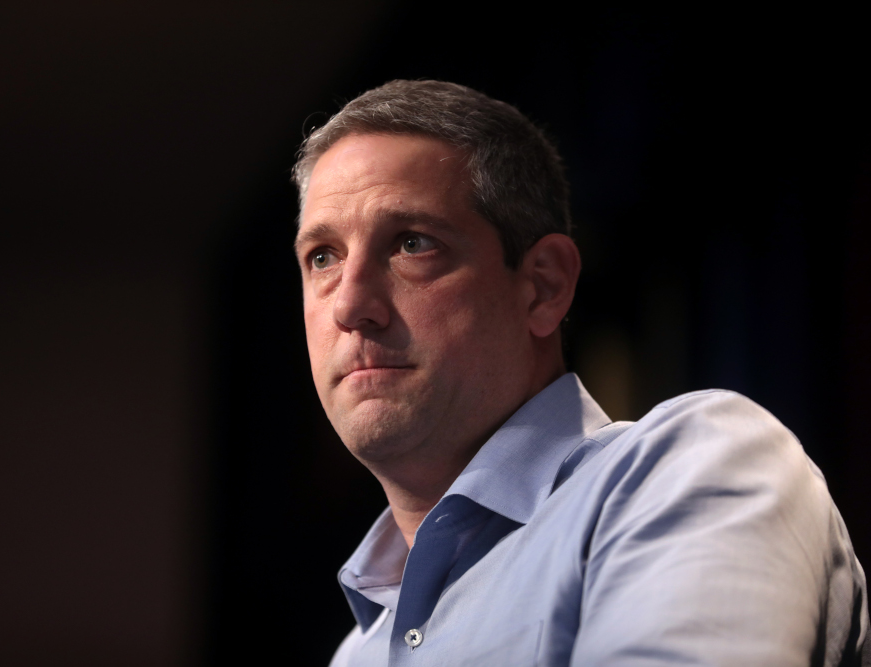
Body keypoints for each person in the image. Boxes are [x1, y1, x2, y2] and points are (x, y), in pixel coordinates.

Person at [290, 79, 868, 666]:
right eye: (323, 257)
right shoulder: (355, 653)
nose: (349, 304)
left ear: (544, 285)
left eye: (412, 243)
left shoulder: (687, 467)